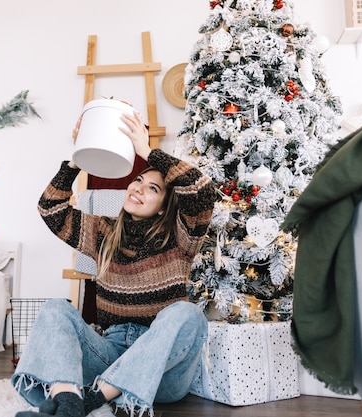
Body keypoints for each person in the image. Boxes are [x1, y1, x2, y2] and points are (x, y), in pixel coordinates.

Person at [11, 110, 216, 417]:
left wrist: (146, 152)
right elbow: (50, 209)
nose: (137, 188)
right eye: (138, 180)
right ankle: (68, 403)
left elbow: (201, 192)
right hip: (109, 353)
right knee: (55, 307)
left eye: (153, 188)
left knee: (188, 314)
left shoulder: (181, 238)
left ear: (164, 207)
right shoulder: (103, 232)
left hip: (162, 374)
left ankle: (93, 399)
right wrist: (79, 158)